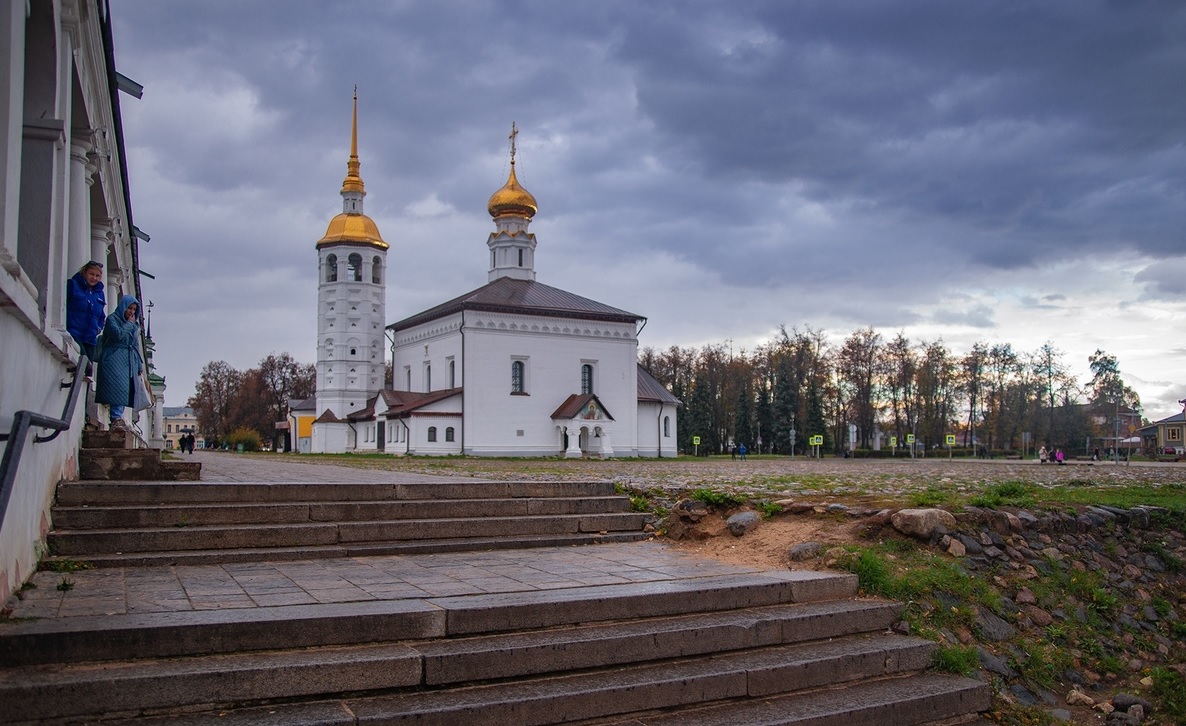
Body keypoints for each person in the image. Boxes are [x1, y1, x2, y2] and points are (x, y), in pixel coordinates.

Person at [94, 295, 143, 430]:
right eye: (129, 308)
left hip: (128, 359)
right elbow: (117, 334)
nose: (132, 312)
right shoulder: (112, 319)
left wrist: (139, 365)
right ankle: (115, 418)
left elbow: (135, 344)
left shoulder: (133, 324)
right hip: (113, 357)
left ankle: (117, 417)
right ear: (123, 306)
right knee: (117, 387)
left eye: (134, 309)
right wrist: (129, 325)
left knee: (124, 389)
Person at [65, 261, 106, 364]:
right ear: (84, 272)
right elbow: (63, 304)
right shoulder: (73, 285)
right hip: (74, 332)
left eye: (97, 276)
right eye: (91, 274)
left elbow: (101, 316)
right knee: (83, 364)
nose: (94, 278)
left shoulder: (99, 294)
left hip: (90, 338)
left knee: (88, 372)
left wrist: (98, 327)